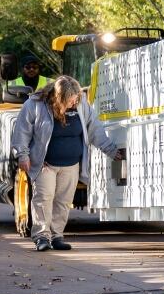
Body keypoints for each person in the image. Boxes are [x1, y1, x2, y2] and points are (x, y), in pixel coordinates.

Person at [11, 76, 122, 251]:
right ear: (59, 97)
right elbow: (22, 131)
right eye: (70, 100)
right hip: (45, 163)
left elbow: (95, 129)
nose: (74, 102)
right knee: (43, 199)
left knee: (63, 202)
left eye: (76, 99)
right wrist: (22, 155)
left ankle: (56, 236)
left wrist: (111, 150)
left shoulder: (81, 104)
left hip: (71, 164)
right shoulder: (35, 104)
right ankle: (41, 237)